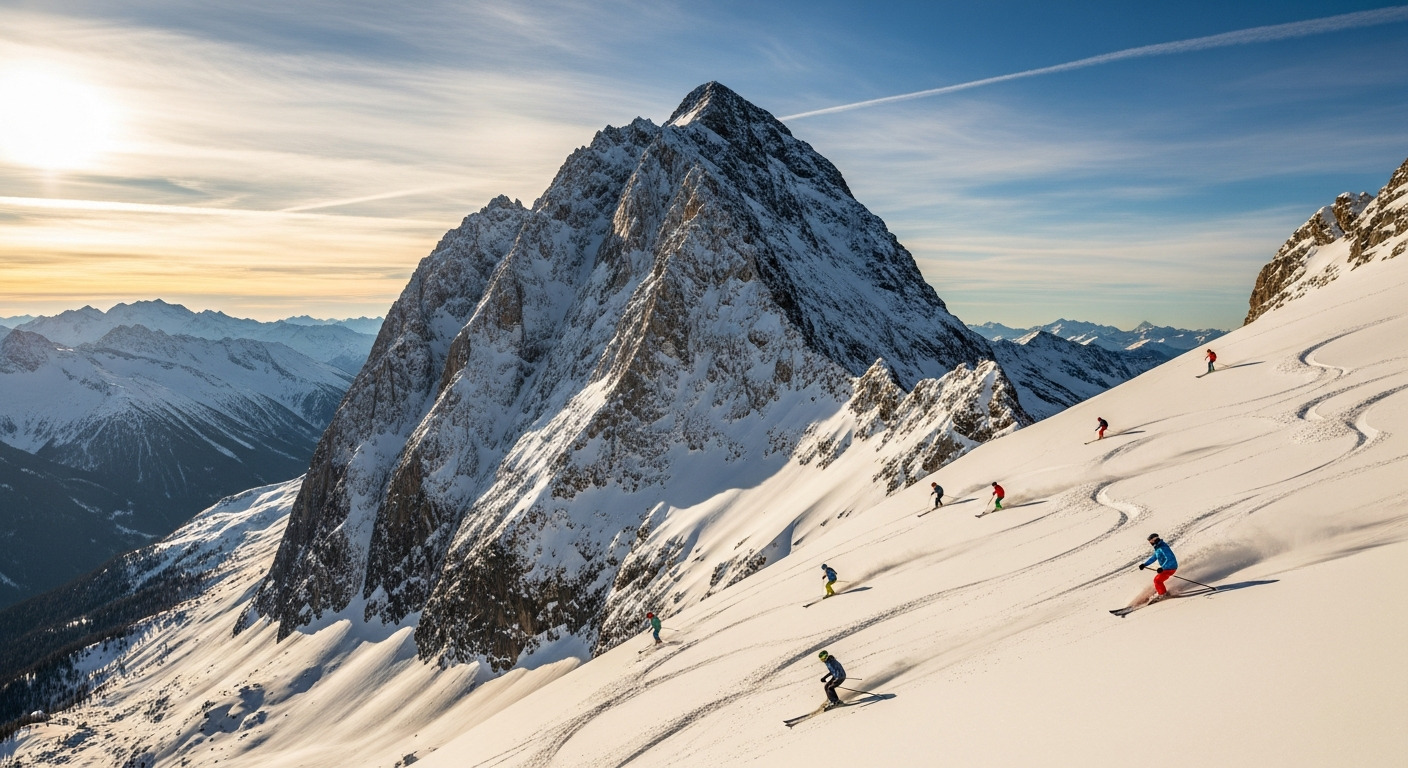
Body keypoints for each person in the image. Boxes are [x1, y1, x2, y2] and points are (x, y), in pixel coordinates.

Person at [1139, 533, 1179, 602]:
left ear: (1154, 539)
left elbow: (1169, 558)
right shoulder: (1158, 547)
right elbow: (1154, 557)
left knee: (1157, 580)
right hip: (1167, 568)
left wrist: (1162, 568)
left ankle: (1163, 594)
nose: (1150, 543)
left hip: (1170, 567)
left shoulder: (1163, 547)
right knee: (1157, 580)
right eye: (1150, 542)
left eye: (1151, 541)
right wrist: (1145, 564)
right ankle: (1161, 592)